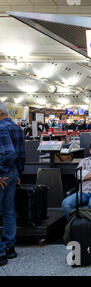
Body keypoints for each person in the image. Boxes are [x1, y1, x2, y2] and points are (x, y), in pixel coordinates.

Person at [0, 102, 24, 266]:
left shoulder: (1, 128)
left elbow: (8, 152)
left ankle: (1, 252)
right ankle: (10, 247)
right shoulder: (17, 128)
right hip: (13, 173)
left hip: (3, 174)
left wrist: (1, 172)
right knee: (8, 211)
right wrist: (17, 173)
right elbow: (21, 154)